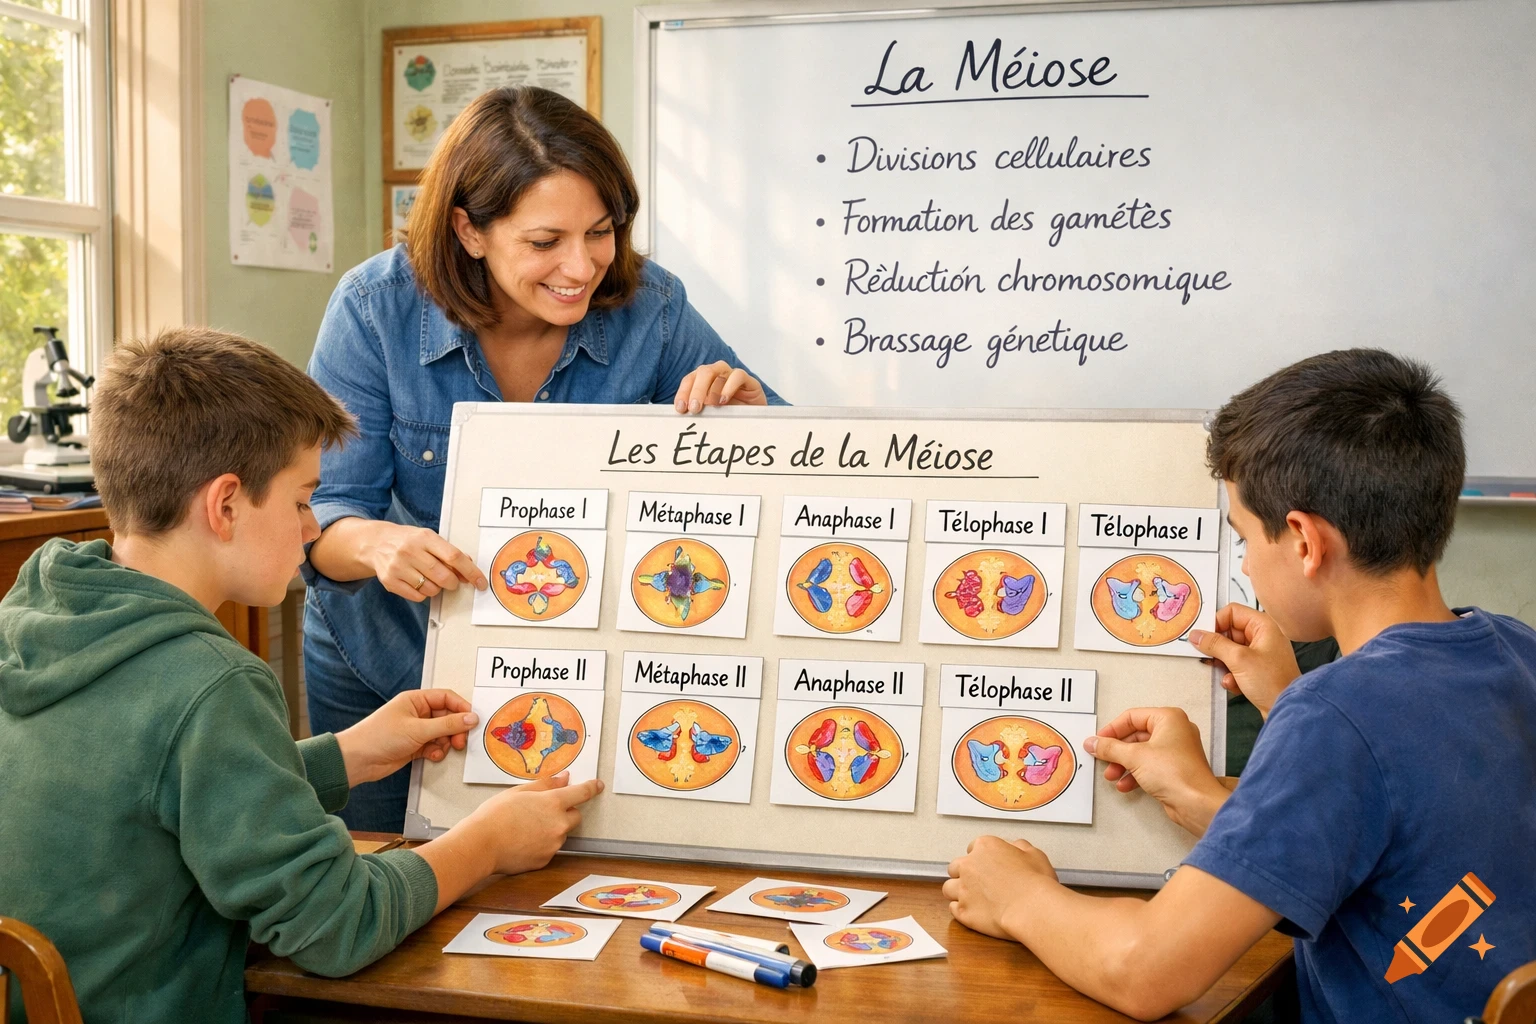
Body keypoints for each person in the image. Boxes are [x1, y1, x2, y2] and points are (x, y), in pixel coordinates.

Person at [0, 329, 602, 1023]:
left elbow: (154, 787)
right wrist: (488, 842)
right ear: (225, 505)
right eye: (301, 500)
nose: (314, 529)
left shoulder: (41, 614)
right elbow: (337, 926)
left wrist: (346, 754)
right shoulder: (209, 682)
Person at [943, 349, 1535, 1022]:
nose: (1246, 565)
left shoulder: (1335, 719)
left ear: (1305, 542)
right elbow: (1394, 826)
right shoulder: (1515, 649)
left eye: (1243, 536)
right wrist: (1270, 719)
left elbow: (1145, 971)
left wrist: (1019, 897)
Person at [304, 86, 783, 831]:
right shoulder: (375, 307)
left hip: (584, 669)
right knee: (378, 884)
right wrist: (379, 543)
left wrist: (752, 423)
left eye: (600, 231)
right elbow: (322, 518)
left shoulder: (651, 308)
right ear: (468, 230)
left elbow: (791, 464)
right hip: (389, 667)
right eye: (544, 241)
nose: (582, 265)